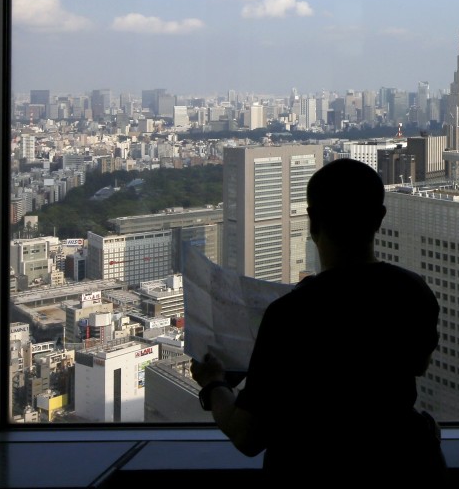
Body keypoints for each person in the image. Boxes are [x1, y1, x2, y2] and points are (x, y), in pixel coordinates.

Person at [190, 158, 445, 484]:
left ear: (312, 221)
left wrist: (213, 384)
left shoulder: (291, 314)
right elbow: (418, 364)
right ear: (379, 218)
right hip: (403, 473)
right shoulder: (412, 292)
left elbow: (247, 437)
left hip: (309, 476)